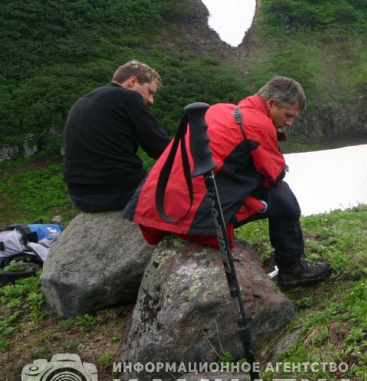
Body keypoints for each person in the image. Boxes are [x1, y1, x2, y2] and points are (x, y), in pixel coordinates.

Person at [123, 75, 330, 289]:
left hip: (158, 208)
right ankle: (293, 269)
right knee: (283, 199)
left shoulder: (218, 110)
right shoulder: (258, 123)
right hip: (194, 217)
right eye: (288, 115)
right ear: (271, 103)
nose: (289, 122)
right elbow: (274, 175)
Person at [63, 60, 172, 212]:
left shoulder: (82, 102)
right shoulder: (128, 97)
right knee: (184, 188)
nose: (150, 100)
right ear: (132, 82)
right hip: (117, 192)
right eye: (150, 92)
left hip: (80, 197)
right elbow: (160, 148)